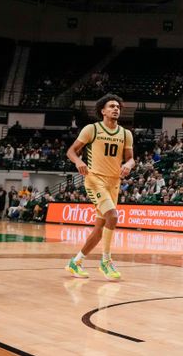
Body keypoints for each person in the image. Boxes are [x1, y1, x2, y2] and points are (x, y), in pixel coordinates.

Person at [65, 94, 134, 281]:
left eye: (118, 106)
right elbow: (71, 151)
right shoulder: (92, 129)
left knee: (99, 229)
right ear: (102, 111)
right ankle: (106, 261)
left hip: (114, 182)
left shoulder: (126, 133)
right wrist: (79, 161)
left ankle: (76, 262)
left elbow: (130, 158)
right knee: (113, 216)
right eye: (111, 106)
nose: (116, 109)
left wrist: (128, 164)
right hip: (95, 179)